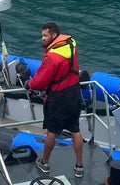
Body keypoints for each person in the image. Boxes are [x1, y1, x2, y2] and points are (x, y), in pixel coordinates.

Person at [25, 22, 84, 178]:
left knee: (52, 131)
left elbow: (40, 82)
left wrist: (29, 84)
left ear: (54, 35)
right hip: (74, 93)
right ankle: (79, 166)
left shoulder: (52, 57)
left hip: (59, 98)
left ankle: (45, 163)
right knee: (75, 130)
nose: (42, 38)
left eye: (45, 35)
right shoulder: (71, 44)